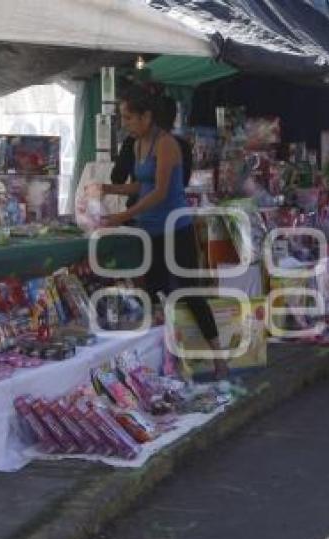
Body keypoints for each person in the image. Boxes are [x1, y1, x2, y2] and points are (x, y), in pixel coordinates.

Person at [101, 85, 228, 379]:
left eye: (129, 117)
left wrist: (123, 215)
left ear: (146, 117)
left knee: (190, 292)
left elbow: (159, 192)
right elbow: (139, 185)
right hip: (150, 230)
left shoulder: (166, 144)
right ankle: (164, 360)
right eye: (123, 118)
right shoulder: (136, 145)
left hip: (176, 229)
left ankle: (219, 358)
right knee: (154, 290)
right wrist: (108, 188)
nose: (125, 123)